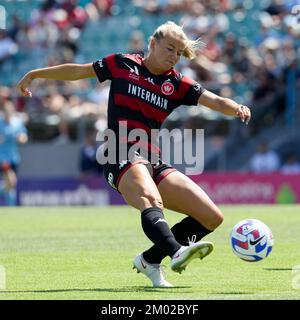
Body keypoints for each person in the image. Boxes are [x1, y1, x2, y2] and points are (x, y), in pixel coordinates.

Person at [17, 21, 251, 287]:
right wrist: (36, 73)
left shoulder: (177, 83)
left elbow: (215, 100)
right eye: (170, 48)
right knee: (151, 200)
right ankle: (176, 252)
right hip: (119, 153)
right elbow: (77, 72)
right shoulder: (122, 64)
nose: (174, 56)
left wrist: (237, 107)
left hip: (153, 160)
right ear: (153, 44)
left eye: (178, 52)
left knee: (211, 216)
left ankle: (149, 260)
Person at [0, 103, 28, 206]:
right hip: (2, 158)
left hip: (14, 158)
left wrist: (21, 138)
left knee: (10, 186)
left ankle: (11, 208)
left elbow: (24, 137)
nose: (8, 114)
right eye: (6, 112)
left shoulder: (17, 123)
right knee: (11, 181)